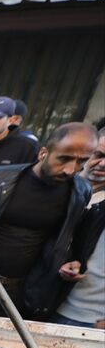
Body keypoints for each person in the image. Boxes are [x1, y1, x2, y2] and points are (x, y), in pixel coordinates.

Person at [0, 122, 95, 319]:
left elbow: (66, 237)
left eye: (82, 161)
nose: (71, 170)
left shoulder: (80, 192)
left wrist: (68, 262)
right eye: (64, 158)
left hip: (21, 291)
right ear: (43, 153)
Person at [51, 127, 105, 328]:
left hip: (84, 317)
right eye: (98, 155)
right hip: (36, 301)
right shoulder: (58, 187)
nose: (102, 164)